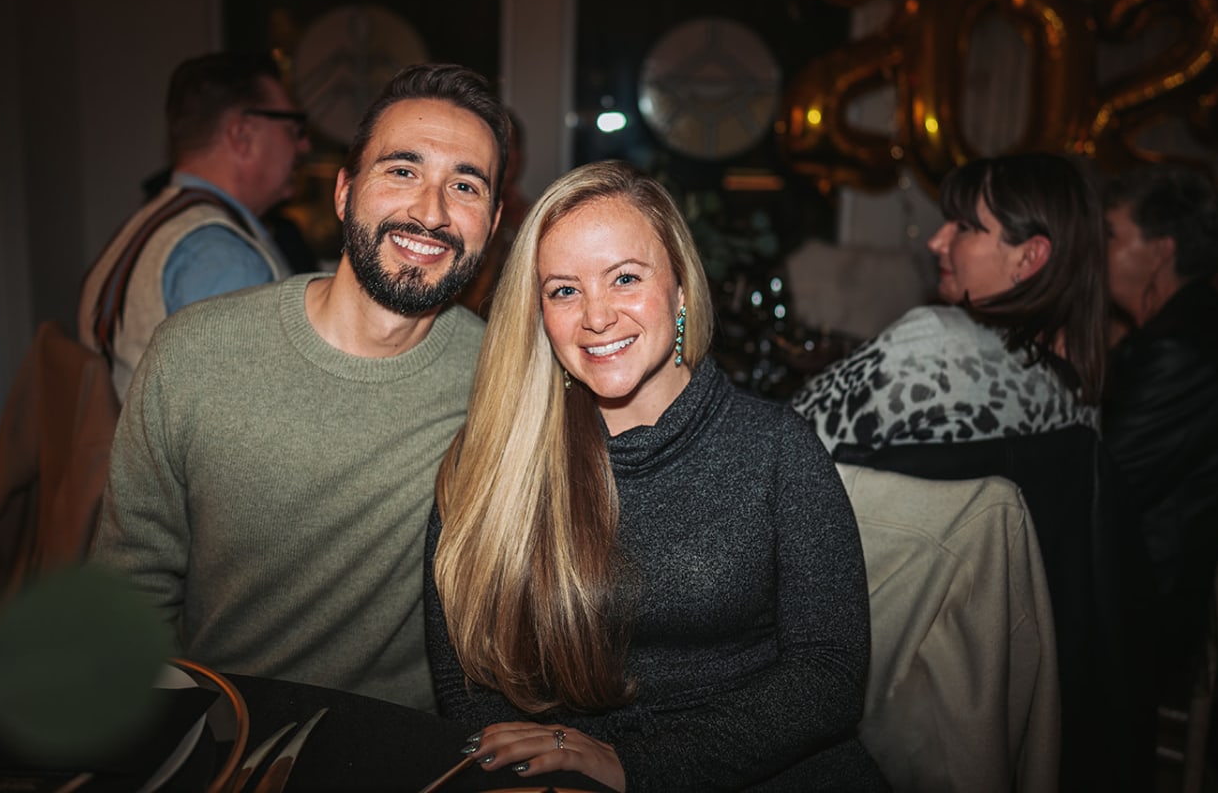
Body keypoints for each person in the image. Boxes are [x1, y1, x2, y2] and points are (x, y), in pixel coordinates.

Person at [425, 161, 883, 792]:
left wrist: (635, 767)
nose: (596, 316)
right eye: (564, 290)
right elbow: (467, 681)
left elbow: (827, 676)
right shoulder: (492, 461)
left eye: (625, 278)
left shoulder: (777, 450)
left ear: (682, 291)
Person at [90, 63, 509, 710]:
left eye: (466, 185)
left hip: (401, 746)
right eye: (402, 171)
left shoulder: (500, 381)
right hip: (228, 728)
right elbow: (130, 587)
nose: (431, 211)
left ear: (494, 219)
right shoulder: (194, 355)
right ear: (344, 192)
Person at [1102, 166, 1218, 698]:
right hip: (1157, 571)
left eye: (1112, 235)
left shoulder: (1184, 347)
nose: (1098, 250)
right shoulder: (1190, 324)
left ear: (1160, 250)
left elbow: (1104, 484)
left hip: (1148, 601)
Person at [792, 152, 1106, 453]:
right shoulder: (1081, 398)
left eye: (965, 227)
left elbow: (785, 446)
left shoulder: (938, 345)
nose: (936, 241)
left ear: (1028, 257)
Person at [78, 52, 310, 401]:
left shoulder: (148, 224)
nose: (303, 146)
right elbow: (243, 426)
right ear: (242, 135)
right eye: (293, 129)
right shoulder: (221, 257)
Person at [456, 109, 532, 317]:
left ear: (521, 156)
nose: (503, 154)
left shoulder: (534, 218)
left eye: (510, 145)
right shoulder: (457, 220)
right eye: (497, 145)